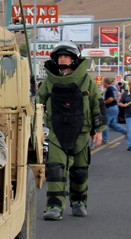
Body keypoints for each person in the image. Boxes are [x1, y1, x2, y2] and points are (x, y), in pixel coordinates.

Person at [37, 41, 106, 220]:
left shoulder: (86, 80)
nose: (63, 59)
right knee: (55, 170)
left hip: (81, 132)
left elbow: (96, 104)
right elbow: (37, 104)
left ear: (74, 59)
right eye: (60, 56)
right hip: (56, 132)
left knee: (80, 171)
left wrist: (98, 130)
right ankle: (54, 207)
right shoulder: (49, 82)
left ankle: (79, 202)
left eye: (66, 56)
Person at [101, 77, 127, 143]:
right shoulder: (114, 89)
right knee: (113, 124)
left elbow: (110, 99)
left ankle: (105, 139)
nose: (103, 84)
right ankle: (125, 131)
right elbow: (118, 97)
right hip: (115, 108)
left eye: (103, 82)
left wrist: (103, 102)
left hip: (110, 108)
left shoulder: (109, 89)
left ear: (106, 83)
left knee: (105, 123)